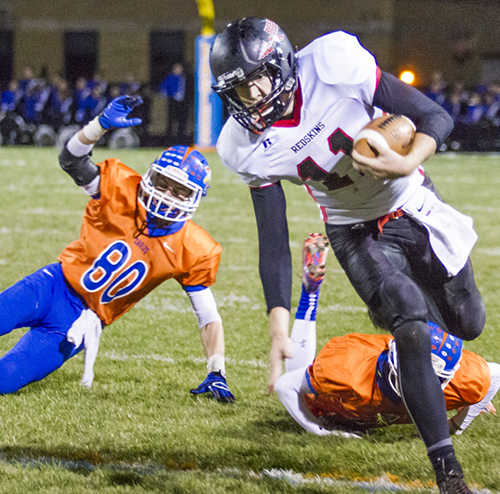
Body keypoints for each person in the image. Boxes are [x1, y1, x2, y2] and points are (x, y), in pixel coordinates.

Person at [209, 17, 485, 492]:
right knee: (411, 324)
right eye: (239, 89)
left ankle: (398, 368)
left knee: (467, 324)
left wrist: (408, 158)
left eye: (258, 80)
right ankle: (448, 472)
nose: (251, 97)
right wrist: (278, 320)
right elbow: (271, 233)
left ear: (282, 65)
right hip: (355, 233)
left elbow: (434, 116)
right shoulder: (242, 145)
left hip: (411, 201)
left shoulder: (333, 63)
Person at [0, 95, 235, 403]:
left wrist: (217, 370)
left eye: (179, 191)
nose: (166, 195)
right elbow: (71, 160)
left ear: (194, 198)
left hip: (81, 323)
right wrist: (98, 126)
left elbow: (208, 316)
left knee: (6, 379)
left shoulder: (194, 247)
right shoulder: (122, 187)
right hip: (52, 285)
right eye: (163, 183)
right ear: (150, 176)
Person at [275, 234, 499, 441]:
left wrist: (457, 424)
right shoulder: (345, 369)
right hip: (348, 384)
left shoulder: (468, 379)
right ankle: (309, 296)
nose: (419, 381)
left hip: (374, 381)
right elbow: (285, 386)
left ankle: (310, 292)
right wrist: (320, 430)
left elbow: (494, 375)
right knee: (302, 388)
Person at [159, 63, 187, 140]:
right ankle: (170, 134)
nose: (178, 70)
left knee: (182, 117)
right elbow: (164, 87)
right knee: (171, 117)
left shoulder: (183, 77)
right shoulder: (170, 77)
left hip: (182, 100)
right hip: (173, 99)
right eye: (176, 69)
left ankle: (180, 133)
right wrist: (167, 94)